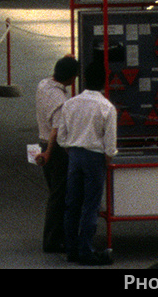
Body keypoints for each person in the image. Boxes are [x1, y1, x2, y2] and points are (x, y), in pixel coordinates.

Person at [50, 60, 117, 266]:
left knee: (72, 204)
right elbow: (110, 144)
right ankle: (86, 250)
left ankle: (72, 249)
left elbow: (61, 137)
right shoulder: (107, 107)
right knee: (90, 205)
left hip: (74, 156)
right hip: (94, 158)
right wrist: (108, 157)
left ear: (84, 80)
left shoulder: (70, 104)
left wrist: (71, 149)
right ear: (104, 83)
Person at [34, 56, 81, 253]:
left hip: (41, 140)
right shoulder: (61, 101)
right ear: (71, 78)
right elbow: (56, 129)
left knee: (55, 191)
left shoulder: (43, 85)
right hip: (55, 148)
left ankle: (56, 236)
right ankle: (53, 239)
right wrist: (48, 154)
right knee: (59, 195)